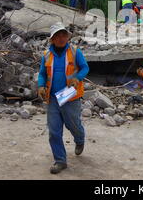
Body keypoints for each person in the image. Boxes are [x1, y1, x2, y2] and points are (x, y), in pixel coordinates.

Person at [37, 22, 89, 174]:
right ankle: (60, 160)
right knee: (54, 131)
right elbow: (42, 73)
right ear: (52, 39)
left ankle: (79, 140)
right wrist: (40, 85)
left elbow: (85, 67)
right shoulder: (46, 55)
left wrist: (77, 78)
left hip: (70, 96)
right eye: (57, 36)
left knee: (73, 125)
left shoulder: (74, 52)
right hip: (53, 98)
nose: (61, 38)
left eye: (63, 35)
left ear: (67, 37)